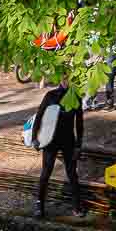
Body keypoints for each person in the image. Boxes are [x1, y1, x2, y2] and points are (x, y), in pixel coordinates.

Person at [30, 82, 86, 218]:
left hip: (68, 141)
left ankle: (76, 206)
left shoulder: (76, 97)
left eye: (69, 77)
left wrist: (78, 145)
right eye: (63, 77)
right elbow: (39, 116)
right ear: (60, 78)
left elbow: (79, 123)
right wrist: (34, 138)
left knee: (72, 174)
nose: (66, 80)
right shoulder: (51, 95)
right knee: (46, 173)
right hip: (51, 140)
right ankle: (39, 205)